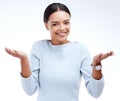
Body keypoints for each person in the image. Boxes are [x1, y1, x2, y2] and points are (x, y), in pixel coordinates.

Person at [5, 2, 114, 101]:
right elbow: (30, 90)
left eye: (66, 23)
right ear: (46, 25)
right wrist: (24, 60)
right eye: (55, 24)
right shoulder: (39, 48)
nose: (62, 28)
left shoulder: (80, 49)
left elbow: (95, 92)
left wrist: (96, 65)